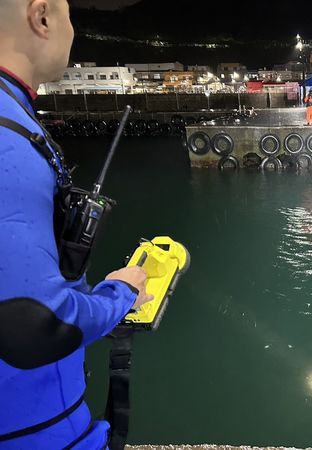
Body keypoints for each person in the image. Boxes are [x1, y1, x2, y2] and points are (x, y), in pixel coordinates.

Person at [0, 1, 153, 448]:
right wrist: (119, 294)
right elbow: (33, 326)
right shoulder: (7, 142)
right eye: (70, 13)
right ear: (41, 16)